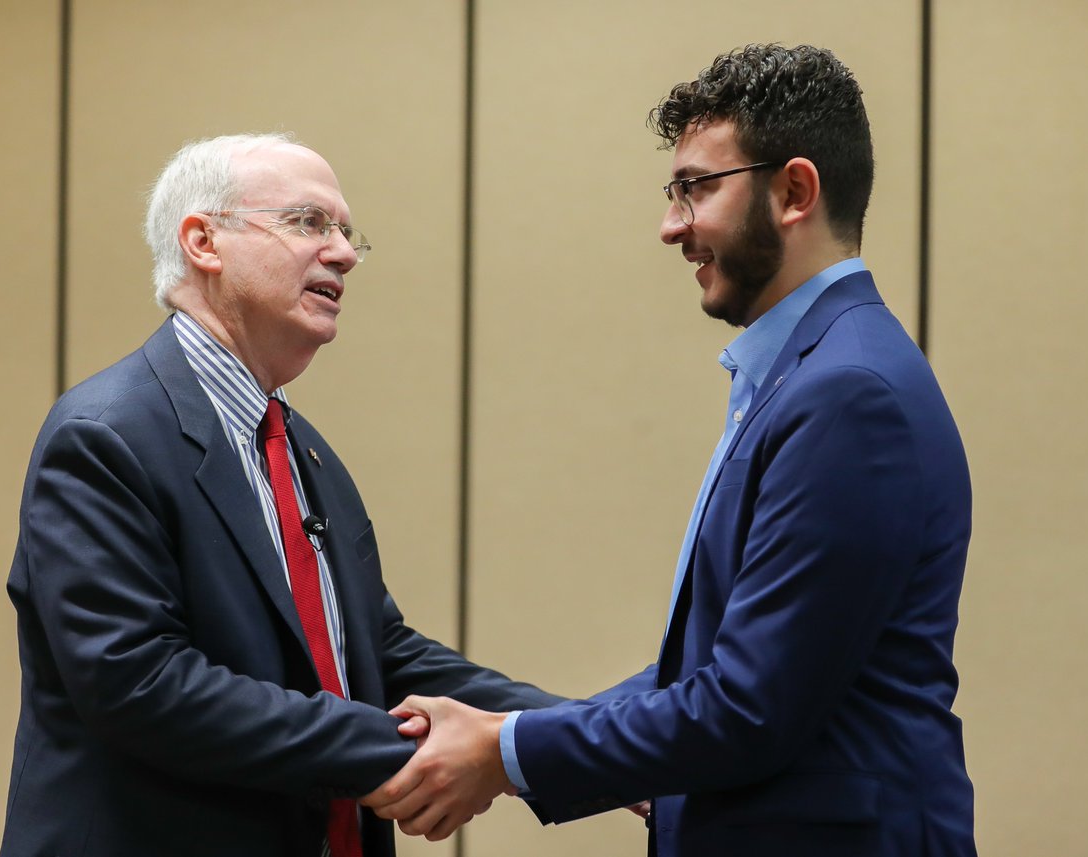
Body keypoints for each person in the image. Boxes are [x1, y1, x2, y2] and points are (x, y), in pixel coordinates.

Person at [361, 44, 977, 857]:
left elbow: (747, 707)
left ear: (794, 190)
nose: (670, 225)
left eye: (696, 188)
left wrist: (504, 750)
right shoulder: (812, 373)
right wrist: (517, 734)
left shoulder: (848, 394)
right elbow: (712, 671)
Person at [0, 132, 561, 857]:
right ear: (203, 241)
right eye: (308, 223)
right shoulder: (105, 435)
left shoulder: (302, 450)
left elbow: (377, 654)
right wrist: (410, 748)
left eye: (348, 232)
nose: (345, 252)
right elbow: (142, 682)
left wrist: (565, 737)